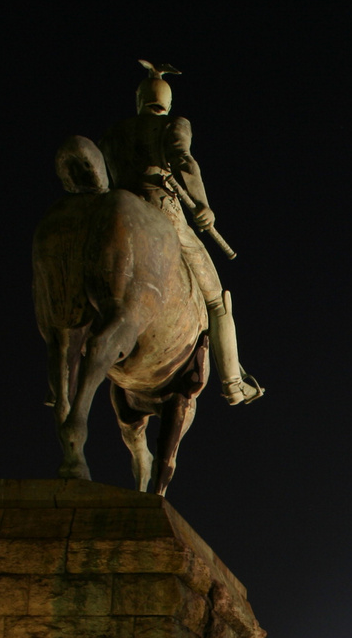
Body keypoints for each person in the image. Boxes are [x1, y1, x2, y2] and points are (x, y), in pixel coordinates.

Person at [100, 61, 261, 404]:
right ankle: (233, 382)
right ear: (166, 102)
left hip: (115, 210)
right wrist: (203, 204)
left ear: (139, 99)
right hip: (163, 212)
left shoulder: (113, 133)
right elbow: (184, 160)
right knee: (217, 301)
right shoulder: (175, 124)